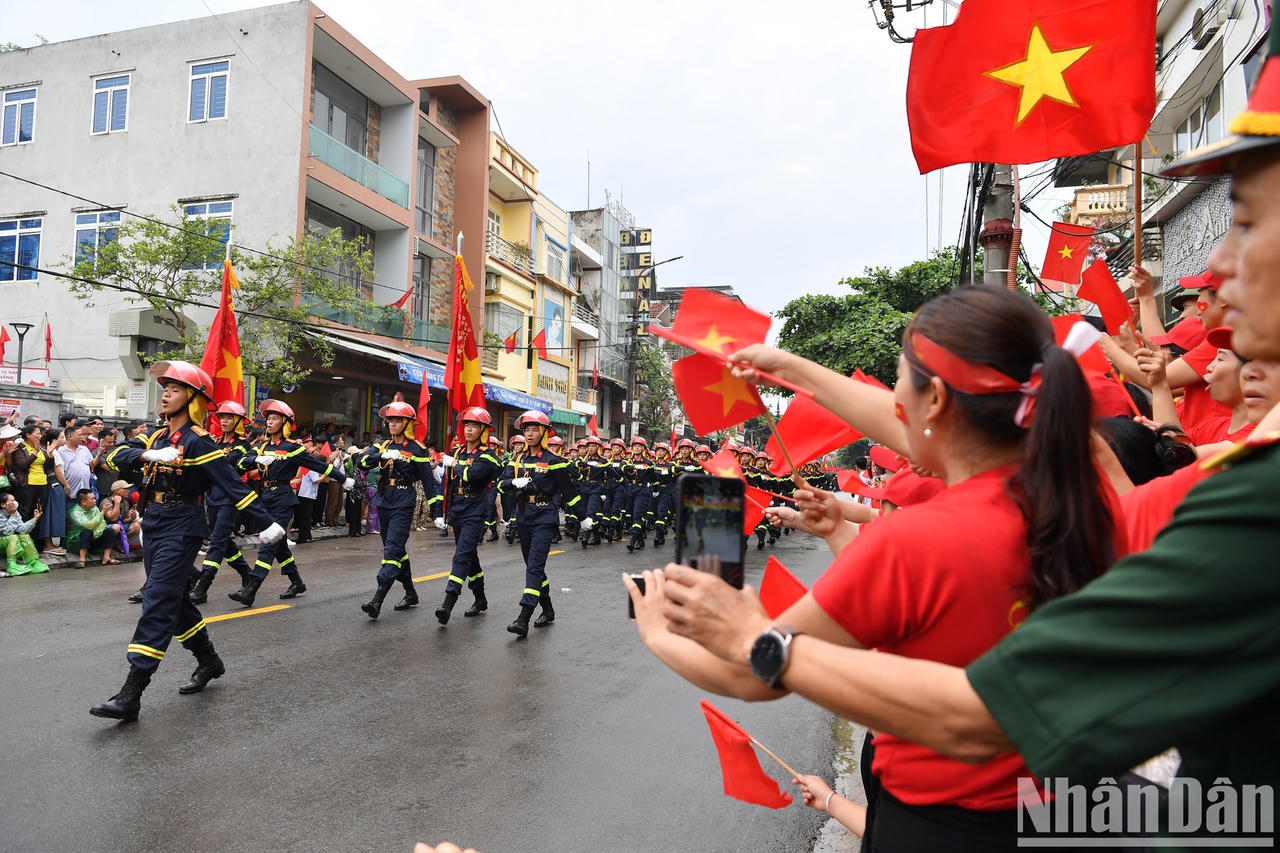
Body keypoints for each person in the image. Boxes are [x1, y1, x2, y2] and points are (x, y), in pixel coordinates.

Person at [627, 286, 1125, 849]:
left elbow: (752, 675)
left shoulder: (915, 540)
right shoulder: (1098, 503)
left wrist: (655, 631)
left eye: (899, 382)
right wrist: (789, 368)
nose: (893, 401)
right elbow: (918, 426)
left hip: (939, 826)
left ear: (934, 399)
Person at [90, 361, 284, 722]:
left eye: (175, 388)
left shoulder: (198, 442)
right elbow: (116, 456)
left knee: (158, 599)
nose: (165, 393)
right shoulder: (156, 438)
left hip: (184, 526)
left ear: (193, 399)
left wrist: (266, 524)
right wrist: (147, 453)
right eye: (165, 387)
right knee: (176, 602)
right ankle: (209, 660)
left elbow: (232, 484)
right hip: (157, 524)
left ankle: (131, 694)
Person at [228, 400, 351, 607]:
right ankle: (296, 582)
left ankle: (250, 589)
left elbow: (318, 465)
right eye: (268, 418)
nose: (269, 422)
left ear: (284, 423)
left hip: (283, 499)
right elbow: (240, 465)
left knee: (267, 544)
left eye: (275, 418)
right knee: (280, 546)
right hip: (265, 498)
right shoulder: (261, 447)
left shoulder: (292, 448)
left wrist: (343, 479)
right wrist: (255, 461)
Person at [497, 410, 588, 637]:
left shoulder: (554, 461)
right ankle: (547, 609)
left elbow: (569, 492)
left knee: (535, 567)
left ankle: (523, 616)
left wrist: (584, 516)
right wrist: (512, 482)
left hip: (545, 518)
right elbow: (500, 485)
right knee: (534, 568)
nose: (529, 434)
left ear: (544, 433)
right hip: (524, 517)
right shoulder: (517, 460)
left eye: (534, 429)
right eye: (526, 430)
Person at [355, 402, 440, 619]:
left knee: (392, 550)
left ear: (408, 424)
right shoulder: (382, 446)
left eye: (397, 420)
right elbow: (361, 462)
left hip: (403, 501)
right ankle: (410, 593)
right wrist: (379, 456)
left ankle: (377, 599)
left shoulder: (417, 449)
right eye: (390, 420)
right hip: (384, 500)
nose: (392, 424)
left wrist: (437, 512)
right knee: (397, 551)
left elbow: (429, 483)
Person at [434, 407, 502, 624]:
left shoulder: (488, 456)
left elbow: (473, 475)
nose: (469, 430)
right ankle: (480, 598)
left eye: (474, 426)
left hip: (476, 509)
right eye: (466, 425)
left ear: (483, 430)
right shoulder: (457, 452)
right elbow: (450, 484)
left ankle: (448, 602)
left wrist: (454, 464)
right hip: (459, 508)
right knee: (470, 557)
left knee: (461, 555)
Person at [189, 402, 256, 605]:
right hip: (213, 496)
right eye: (222, 417)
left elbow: (230, 465)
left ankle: (203, 586)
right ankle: (248, 574)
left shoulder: (242, 445)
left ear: (238, 422)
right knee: (224, 542)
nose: (224, 421)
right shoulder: (216, 442)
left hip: (230, 498)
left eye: (229, 418)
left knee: (217, 541)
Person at [66, 488, 122, 567]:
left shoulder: (94, 508)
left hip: (92, 539)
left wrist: (95, 534)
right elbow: (90, 525)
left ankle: (106, 557)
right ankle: (82, 560)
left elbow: (103, 524)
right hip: (76, 543)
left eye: (95, 498)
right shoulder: (75, 513)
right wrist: (103, 512)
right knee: (87, 532)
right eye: (92, 499)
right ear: (83, 502)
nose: (95, 501)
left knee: (109, 531)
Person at [0, 490, 51, 576]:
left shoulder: (14, 512)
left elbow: (22, 529)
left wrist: (35, 518)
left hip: (8, 544)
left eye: (14, 500)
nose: (14, 503)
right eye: (11, 501)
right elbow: (7, 532)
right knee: (12, 537)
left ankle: (34, 563)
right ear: (3, 505)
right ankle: (12, 565)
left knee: (24, 536)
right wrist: (12, 516)